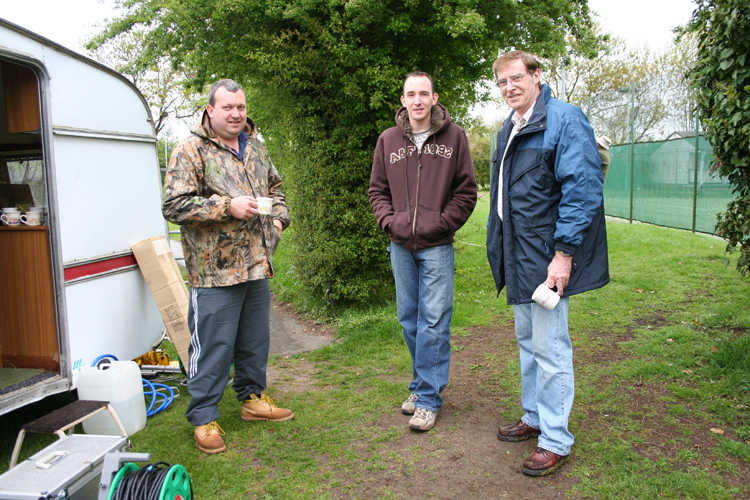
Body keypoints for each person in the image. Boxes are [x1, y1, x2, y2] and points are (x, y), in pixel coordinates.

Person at [486, 51, 609, 476]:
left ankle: (556, 439)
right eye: (502, 82)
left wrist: (563, 254)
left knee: (551, 348)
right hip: (518, 255)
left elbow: (583, 189)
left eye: (516, 78)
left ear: (537, 76)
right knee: (528, 343)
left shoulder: (563, 118)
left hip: (545, 257)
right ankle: (535, 415)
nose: (509, 88)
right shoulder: (510, 126)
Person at [163, 79, 293, 454]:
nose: (236, 114)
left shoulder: (255, 148)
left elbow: (276, 190)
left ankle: (252, 399)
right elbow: (174, 206)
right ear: (210, 110)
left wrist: (279, 221)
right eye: (227, 107)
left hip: (256, 265)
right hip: (214, 273)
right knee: (214, 346)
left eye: (241, 107)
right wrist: (226, 206)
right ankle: (203, 416)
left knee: (255, 341)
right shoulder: (190, 150)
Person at [369, 71, 477, 431]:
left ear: (434, 98)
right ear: (403, 100)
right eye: (410, 94)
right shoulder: (387, 141)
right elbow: (377, 192)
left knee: (434, 321)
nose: (417, 100)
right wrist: (391, 223)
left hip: (436, 246)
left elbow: (466, 192)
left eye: (423, 94)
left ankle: (429, 398)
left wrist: (441, 223)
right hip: (400, 245)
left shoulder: (454, 137)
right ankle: (420, 384)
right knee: (409, 319)